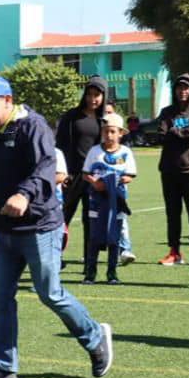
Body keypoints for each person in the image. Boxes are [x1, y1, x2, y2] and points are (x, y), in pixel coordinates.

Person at [0, 75, 112, 378]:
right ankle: (3, 366)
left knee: (50, 293)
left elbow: (45, 166)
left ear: (8, 100)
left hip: (38, 227)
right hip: (5, 231)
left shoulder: (31, 125)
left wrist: (24, 194)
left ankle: (95, 336)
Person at [156, 74, 189, 267]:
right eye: (179, 88)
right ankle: (174, 251)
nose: (183, 91)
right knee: (172, 212)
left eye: (187, 88)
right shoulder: (167, 111)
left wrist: (175, 132)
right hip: (169, 169)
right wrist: (185, 133)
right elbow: (161, 135)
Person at [56, 75, 108, 262]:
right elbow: (59, 146)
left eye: (97, 95)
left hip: (94, 178)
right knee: (61, 219)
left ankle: (89, 261)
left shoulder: (105, 121)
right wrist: (62, 173)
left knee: (91, 220)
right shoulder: (71, 117)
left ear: (103, 96)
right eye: (89, 94)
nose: (92, 99)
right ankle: (55, 258)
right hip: (72, 176)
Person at [81, 113, 137, 285]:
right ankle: (90, 274)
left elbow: (130, 175)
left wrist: (116, 181)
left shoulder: (126, 152)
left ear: (121, 133)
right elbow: (85, 173)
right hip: (96, 201)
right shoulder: (95, 151)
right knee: (94, 238)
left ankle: (112, 273)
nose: (109, 135)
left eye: (112, 131)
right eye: (105, 131)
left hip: (116, 201)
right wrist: (96, 182)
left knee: (114, 237)